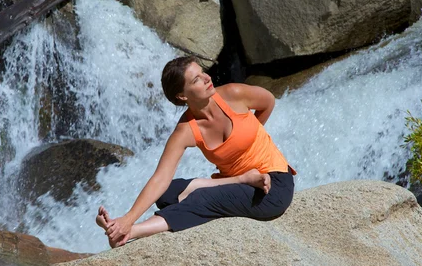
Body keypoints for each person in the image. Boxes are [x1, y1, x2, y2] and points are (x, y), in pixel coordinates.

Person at [96, 56, 296, 248]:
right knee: (167, 193)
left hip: (273, 186)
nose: (207, 78)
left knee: (202, 199)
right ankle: (124, 227)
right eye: (196, 79)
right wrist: (127, 217)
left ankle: (130, 233)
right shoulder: (186, 130)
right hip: (238, 183)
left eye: (203, 73)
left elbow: (268, 101)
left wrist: (251, 141)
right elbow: (160, 178)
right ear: (183, 96)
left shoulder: (233, 94)